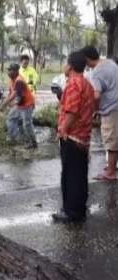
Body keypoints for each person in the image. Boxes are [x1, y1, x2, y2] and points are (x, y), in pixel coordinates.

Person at [52, 51, 97, 223]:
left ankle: (71, 212)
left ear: (70, 66)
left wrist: (63, 129)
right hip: (83, 136)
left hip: (72, 136)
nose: (64, 65)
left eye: (65, 62)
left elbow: (71, 111)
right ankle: (79, 209)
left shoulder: (73, 84)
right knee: (79, 174)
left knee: (70, 175)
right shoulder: (86, 83)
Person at [81, 46, 118, 180]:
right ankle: (111, 167)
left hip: (111, 108)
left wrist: (94, 109)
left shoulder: (96, 73)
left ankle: (111, 172)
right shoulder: (110, 63)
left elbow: (96, 95)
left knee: (111, 140)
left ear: (87, 59)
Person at [0, 63, 37, 149]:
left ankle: (33, 142)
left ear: (16, 71)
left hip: (27, 104)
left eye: (11, 70)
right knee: (11, 118)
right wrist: (6, 102)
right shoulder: (12, 80)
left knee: (27, 124)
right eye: (8, 70)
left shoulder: (19, 81)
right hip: (20, 104)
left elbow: (16, 96)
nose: (9, 72)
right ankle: (12, 138)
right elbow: (10, 94)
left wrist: (4, 105)